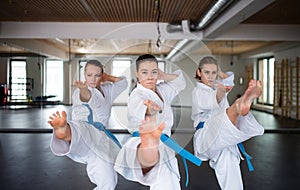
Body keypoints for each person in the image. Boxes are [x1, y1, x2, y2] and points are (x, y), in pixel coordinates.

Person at [114, 54, 200, 190]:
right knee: (165, 181)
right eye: (144, 72)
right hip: (145, 142)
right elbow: (143, 110)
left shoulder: (163, 90)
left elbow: (180, 82)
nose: (150, 76)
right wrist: (151, 110)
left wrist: (164, 76)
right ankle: (150, 141)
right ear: (137, 74)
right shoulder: (137, 95)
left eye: (154, 72)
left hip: (165, 144)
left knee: (168, 181)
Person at [48, 59, 128, 190]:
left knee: (108, 180)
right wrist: (84, 90)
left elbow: (123, 83)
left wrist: (107, 77)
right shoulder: (80, 91)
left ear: (101, 75)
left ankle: (66, 131)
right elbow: (87, 97)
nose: (93, 79)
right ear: (84, 74)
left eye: (97, 75)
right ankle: (64, 131)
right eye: (89, 75)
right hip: (85, 126)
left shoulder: (108, 90)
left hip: (101, 137)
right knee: (80, 131)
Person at [191, 56, 264, 190]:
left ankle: (239, 106)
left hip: (224, 139)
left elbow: (229, 80)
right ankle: (238, 106)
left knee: (231, 166)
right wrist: (221, 91)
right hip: (206, 136)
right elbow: (213, 99)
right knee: (222, 119)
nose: (210, 76)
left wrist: (218, 72)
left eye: (213, 73)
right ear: (198, 72)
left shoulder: (218, 84)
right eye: (206, 72)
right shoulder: (198, 91)